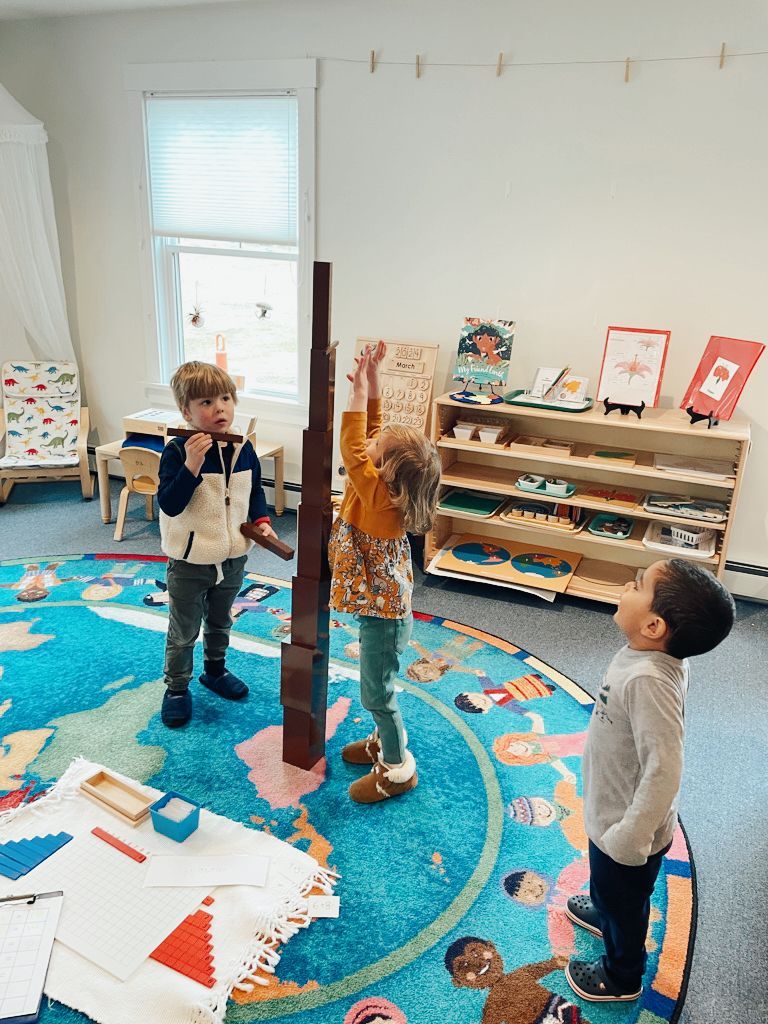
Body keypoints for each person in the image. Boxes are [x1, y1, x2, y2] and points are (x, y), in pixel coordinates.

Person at [565, 558, 735, 1002]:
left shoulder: (648, 680)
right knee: (610, 891)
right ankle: (604, 910)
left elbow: (666, 768)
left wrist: (629, 837)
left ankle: (622, 976)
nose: (626, 584)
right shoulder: (651, 657)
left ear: (655, 625)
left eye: (637, 584)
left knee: (626, 904)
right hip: (613, 810)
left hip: (627, 830)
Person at [329, 341, 441, 803]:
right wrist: (370, 380)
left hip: (384, 614)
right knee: (375, 687)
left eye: (376, 449)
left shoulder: (376, 494)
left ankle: (397, 768)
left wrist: (353, 397)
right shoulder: (385, 486)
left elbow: (354, 444)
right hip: (380, 605)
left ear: (384, 467)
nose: (370, 443)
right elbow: (372, 435)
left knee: (377, 693)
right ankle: (381, 742)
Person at [157, 361, 277, 727]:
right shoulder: (177, 452)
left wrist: (262, 522)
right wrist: (192, 465)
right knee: (183, 630)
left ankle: (215, 671)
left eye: (225, 398)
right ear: (186, 411)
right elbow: (170, 503)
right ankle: (177, 688)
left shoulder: (244, 450)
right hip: (190, 560)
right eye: (206, 402)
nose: (219, 408)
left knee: (221, 620)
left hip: (233, 555)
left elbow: (253, 491)